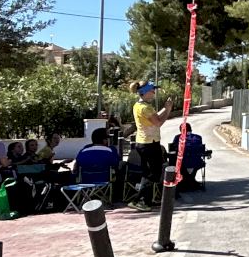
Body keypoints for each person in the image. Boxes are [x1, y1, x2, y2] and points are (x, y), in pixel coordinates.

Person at [130, 80, 174, 208]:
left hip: (144, 142)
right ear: (144, 92)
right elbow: (158, 122)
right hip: (149, 144)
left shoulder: (140, 105)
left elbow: (155, 116)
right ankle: (137, 200)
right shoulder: (145, 108)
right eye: (152, 90)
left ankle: (146, 201)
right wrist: (168, 109)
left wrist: (165, 108)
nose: (154, 92)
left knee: (147, 173)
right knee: (153, 174)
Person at [73, 128, 121, 203]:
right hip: (104, 180)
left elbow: (77, 165)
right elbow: (115, 164)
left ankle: (81, 199)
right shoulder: (110, 151)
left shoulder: (83, 151)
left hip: (85, 180)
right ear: (104, 140)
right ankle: (115, 198)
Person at [169, 123, 210, 191]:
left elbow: (173, 150)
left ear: (181, 130)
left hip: (182, 163)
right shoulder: (198, 137)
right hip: (197, 163)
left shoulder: (178, 138)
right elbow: (201, 151)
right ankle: (191, 181)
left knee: (177, 163)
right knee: (194, 162)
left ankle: (185, 182)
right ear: (191, 129)